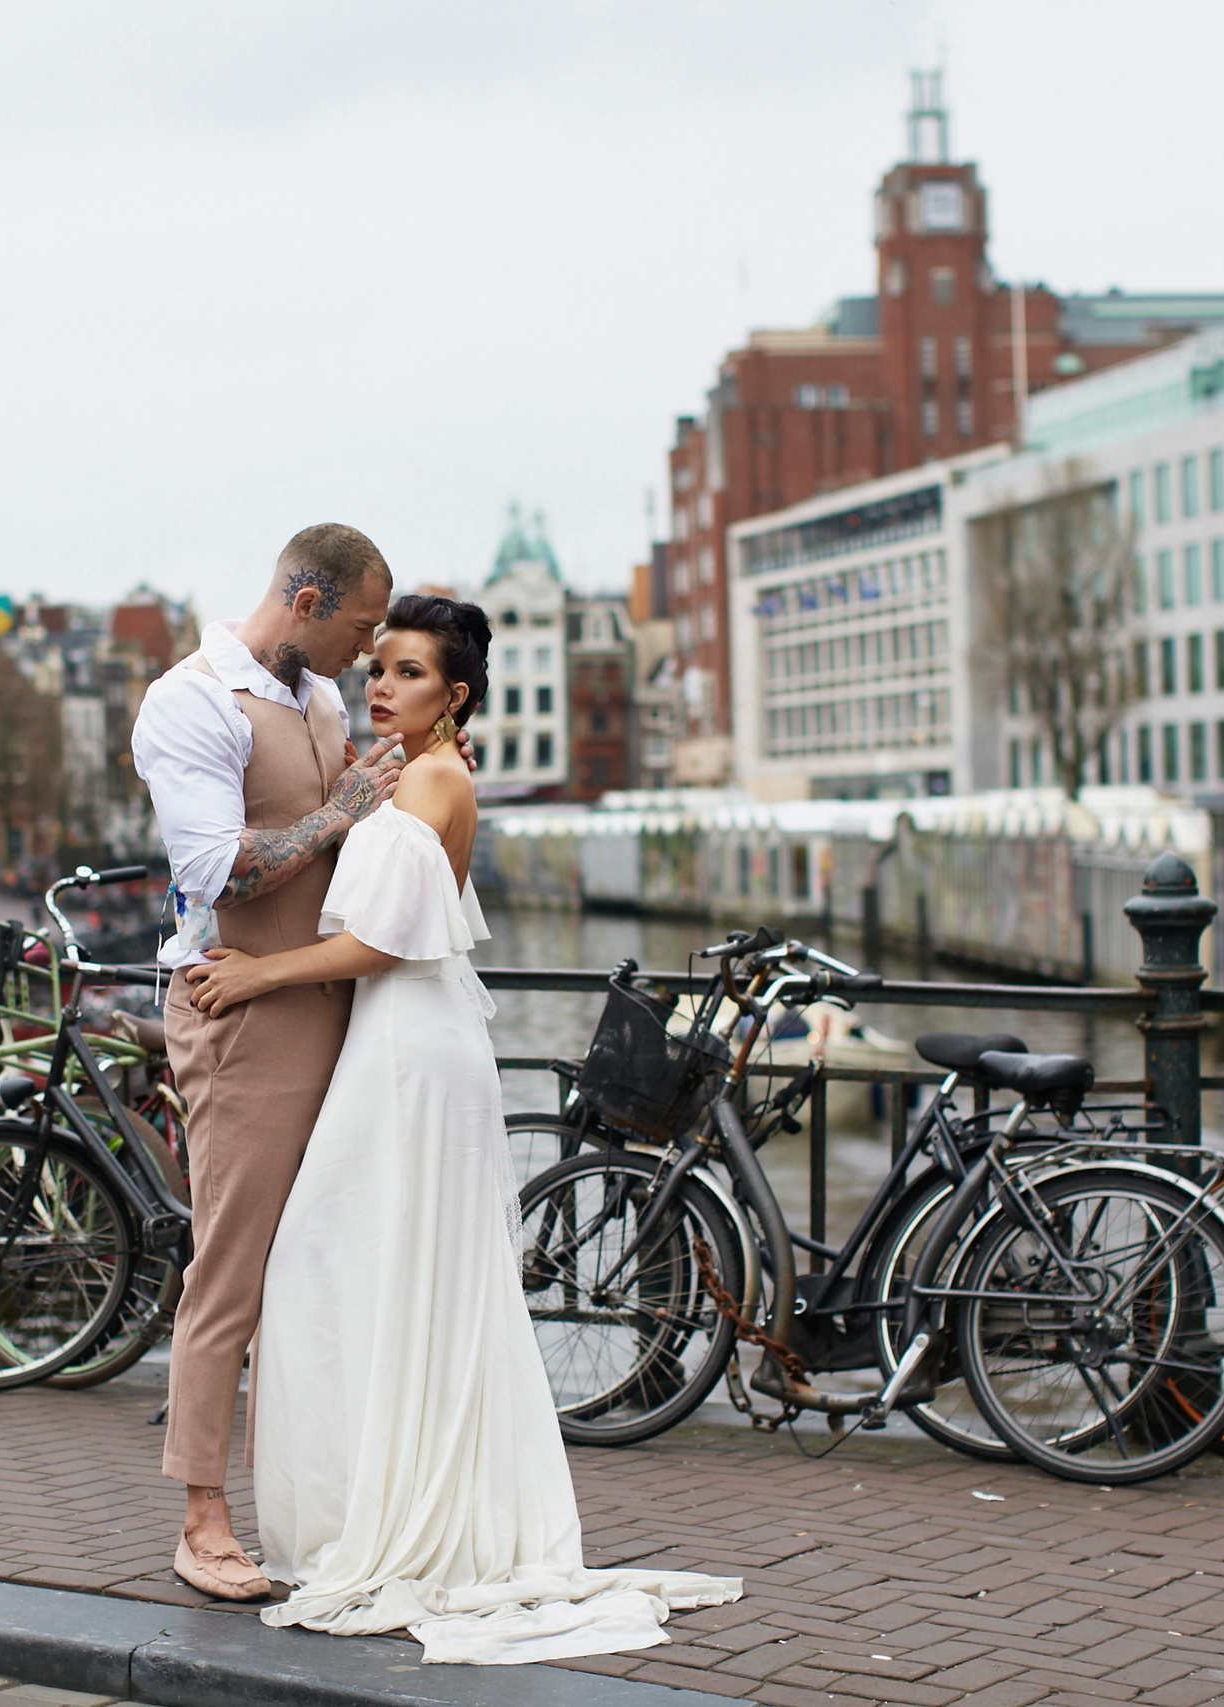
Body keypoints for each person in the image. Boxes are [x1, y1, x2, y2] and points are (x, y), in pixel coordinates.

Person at [181, 595, 741, 1665]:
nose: (379, 686)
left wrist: (258, 974)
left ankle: (393, 1510)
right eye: (377, 667)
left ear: (455, 697)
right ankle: (382, 1495)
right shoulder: (411, 767)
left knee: (326, 1260)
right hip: (402, 1041)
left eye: (406, 674)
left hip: (407, 1040)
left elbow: (384, 945)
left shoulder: (434, 777)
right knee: (377, 1267)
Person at [131, 523, 417, 1601]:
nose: (365, 646)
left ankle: (314, 1496)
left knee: (326, 1259)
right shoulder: (191, 700)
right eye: (356, 626)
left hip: (332, 998)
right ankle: (200, 1514)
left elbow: (351, 829)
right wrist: (342, 809)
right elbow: (215, 870)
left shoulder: (323, 701)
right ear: (304, 602)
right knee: (233, 1265)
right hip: (243, 1009)